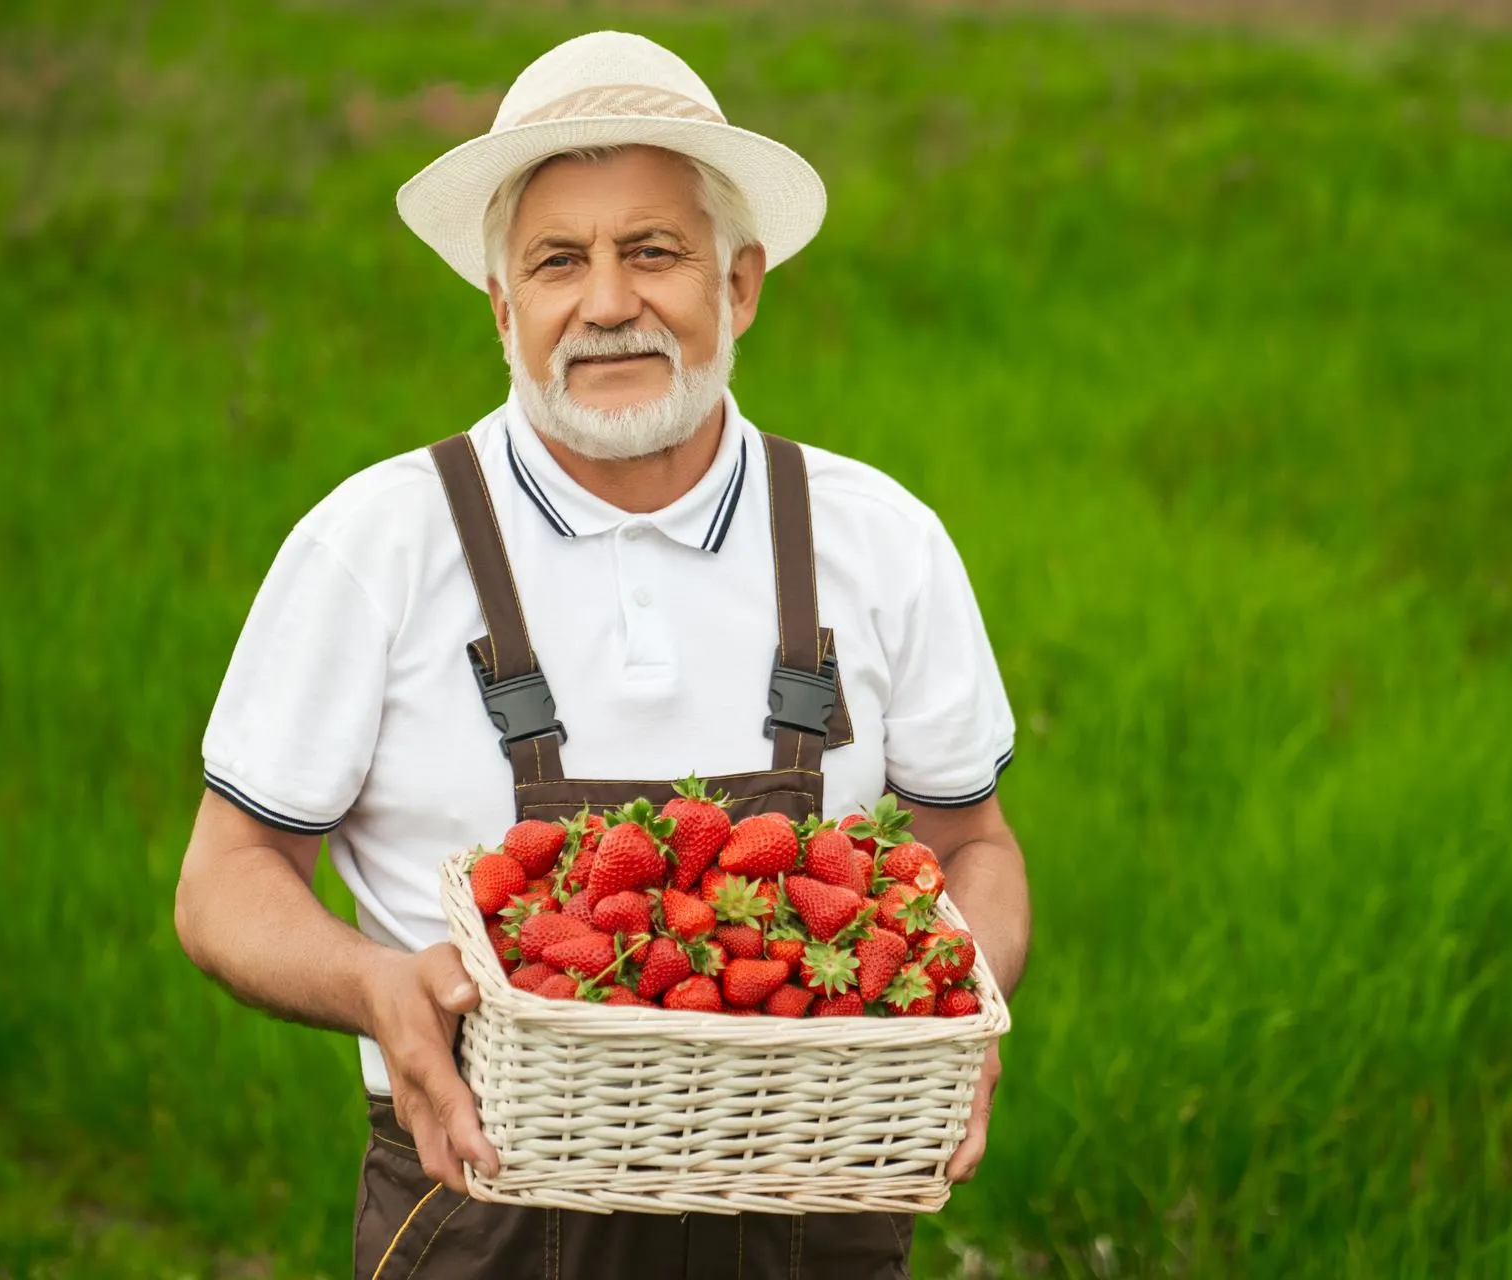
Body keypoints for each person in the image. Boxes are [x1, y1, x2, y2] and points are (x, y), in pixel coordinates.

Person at [172, 29, 1030, 1279]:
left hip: (816, 1203)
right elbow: (224, 874)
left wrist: (957, 997)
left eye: (654, 252)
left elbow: (975, 844)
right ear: (503, 306)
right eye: (559, 260)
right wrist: (377, 985)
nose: (610, 301)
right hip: (488, 1203)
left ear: (739, 286)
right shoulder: (375, 545)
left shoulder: (879, 540)